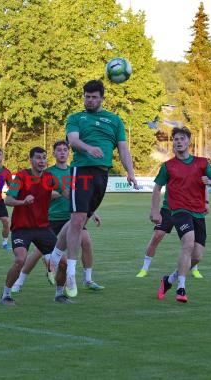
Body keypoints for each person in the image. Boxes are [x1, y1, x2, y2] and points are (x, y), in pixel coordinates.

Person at [61, 79, 138, 298]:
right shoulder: (76, 118)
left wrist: (130, 172)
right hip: (81, 171)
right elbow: (73, 141)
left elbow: (123, 149)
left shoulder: (114, 120)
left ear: (102, 98)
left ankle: (56, 254)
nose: (90, 100)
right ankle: (71, 274)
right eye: (87, 96)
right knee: (77, 220)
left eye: (94, 97)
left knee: (79, 220)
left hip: (102, 175)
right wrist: (89, 148)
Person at [11, 140, 104, 296]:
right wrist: (59, 193)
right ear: (53, 154)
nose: (62, 152)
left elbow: (80, 197)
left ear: (69, 153)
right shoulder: (49, 173)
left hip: (72, 218)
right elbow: (45, 194)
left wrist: (91, 211)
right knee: (37, 253)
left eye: (65, 150)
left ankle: (88, 280)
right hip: (52, 218)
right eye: (59, 150)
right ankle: (19, 281)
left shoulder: (75, 172)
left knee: (86, 242)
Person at [153, 127, 211, 303]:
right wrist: (154, 210)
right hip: (179, 211)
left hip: (198, 213)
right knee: (188, 243)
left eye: (182, 139)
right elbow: (157, 187)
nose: (178, 141)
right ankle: (181, 288)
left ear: (189, 142)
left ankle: (169, 279)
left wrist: (210, 182)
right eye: (175, 139)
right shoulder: (168, 166)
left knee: (197, 256)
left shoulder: (202, 163)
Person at [0, 147, 59, 306]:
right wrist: (23, 202)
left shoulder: (49, 177)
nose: (42, 161)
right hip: (22, 228)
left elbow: (61, 192)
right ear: (31, 160)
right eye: (38, 158)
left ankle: (60, 295)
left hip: (43, 228)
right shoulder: (21, 176)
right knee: (20, 259)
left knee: (64, 261)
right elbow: (8, 200)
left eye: (44, 158)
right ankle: (5, 295)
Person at [136, 188, 208, 278]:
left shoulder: (194, 173)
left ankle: (194, 268)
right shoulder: (169, 172)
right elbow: (158, 186)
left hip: (187, 210)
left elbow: (203, 186)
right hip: (168, 209)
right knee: (157, 236)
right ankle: (144, 268)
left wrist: (206, 202)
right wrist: (154, 210)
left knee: (191, 240)